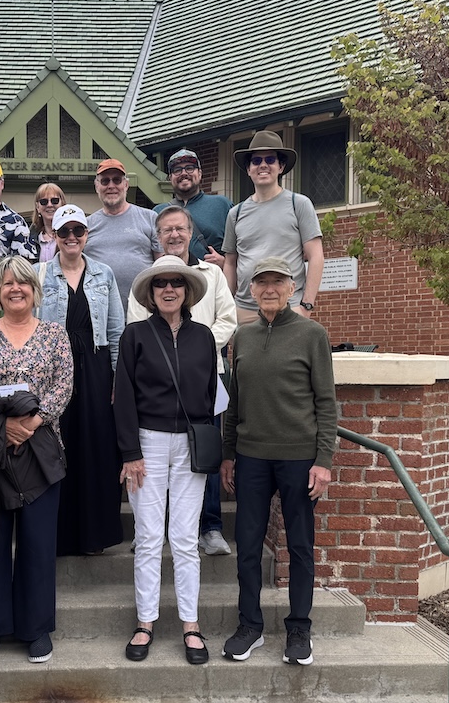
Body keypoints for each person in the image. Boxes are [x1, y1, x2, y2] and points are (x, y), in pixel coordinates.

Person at [220, 257, 337, 666]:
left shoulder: (312, 334)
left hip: (298, 459)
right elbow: (234, 402)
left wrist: (323, 461)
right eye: (261, 283)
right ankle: (249, 625)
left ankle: (299, 629)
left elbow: (326, 402)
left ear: (291, 288)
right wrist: (228, 454)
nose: (269, 289)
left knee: (300, 546)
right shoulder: (243, 336)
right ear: (250, 290)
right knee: (248, 546)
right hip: (251, 458)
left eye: (278, 282)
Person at [0, 256, 73, 666]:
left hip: (41, 451)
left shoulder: (55, 335)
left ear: (34, 290)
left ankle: (35, 627)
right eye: (8, 283)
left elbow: (64, 385)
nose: (15, 289)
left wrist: (33, 424)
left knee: (37, 542)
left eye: (23, 283)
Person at [114, 256, 217, 666]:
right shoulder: (135, 335)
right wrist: (130, 453)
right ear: (152, 294)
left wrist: (210, 443)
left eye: (177, 282)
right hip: (149, 444)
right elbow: (123, 395)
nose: (169, 289)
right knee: (150, 537)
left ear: (187, 291)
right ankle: (146, 621)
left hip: (191, 443)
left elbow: (212, 396)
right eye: (161, 284)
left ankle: (190, 624)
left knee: (187, 539)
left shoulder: (204, 337)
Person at [127, 206, 237, 556]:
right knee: (159, 462)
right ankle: (152, 529)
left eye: (180, 228)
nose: (173, 235)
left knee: (201, 448)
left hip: (204, 376)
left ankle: (210, 527)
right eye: (166, 230)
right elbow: (136, 323)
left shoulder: (213, 274)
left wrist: (196, 351)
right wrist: (170, 354)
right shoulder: (149, 280)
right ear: (157, 236)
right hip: (156, 384)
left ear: (191, 233)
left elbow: (228, 320)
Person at [38, 204, 125, 556]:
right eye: (64, 232)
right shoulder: (39, 273)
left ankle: (94, 535)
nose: (72, 238)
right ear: (54, 236)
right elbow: (27, 322)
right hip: (53, 367)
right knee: (57, 446)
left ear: (87, 236)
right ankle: (57, 535)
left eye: (78, 231)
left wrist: (118, 377)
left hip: (96, 364)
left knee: (95, 447)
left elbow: (116, 328)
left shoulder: (104, 274)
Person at [223, 131, 325, 325]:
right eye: (256, 161)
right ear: (248, 168)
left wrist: (307, 305)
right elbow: (230, 262)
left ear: (281, 166)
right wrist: (228, 305)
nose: (263, 165)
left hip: (289, 308)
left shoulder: (299, 204)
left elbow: (316, 256)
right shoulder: (235, 214)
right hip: (245, 311)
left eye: (270, 159)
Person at [84, 158, 160, 305]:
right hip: (100, 311)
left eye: (117, 180)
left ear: (126, 184)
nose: (111, 186)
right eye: (105, 181)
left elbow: (162, 263)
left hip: (143, 310)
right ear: (96, 186)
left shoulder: (150, 218)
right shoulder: (86, 226)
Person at [154, 148, 232, 269]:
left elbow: (242, 249)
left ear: (199, 173)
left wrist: (225, 263)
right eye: (177, 170)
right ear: (170, 178)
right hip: (173, 281)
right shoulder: (158, 212)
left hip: (211, 280)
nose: (184, 173)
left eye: (190, 168)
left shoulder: (222, 205)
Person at [29, 181, 66, 264]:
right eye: (44, 202)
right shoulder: (29, 237)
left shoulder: (73, 234)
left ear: (62, 204)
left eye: (54, 200)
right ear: (37, 207)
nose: (49, 205)